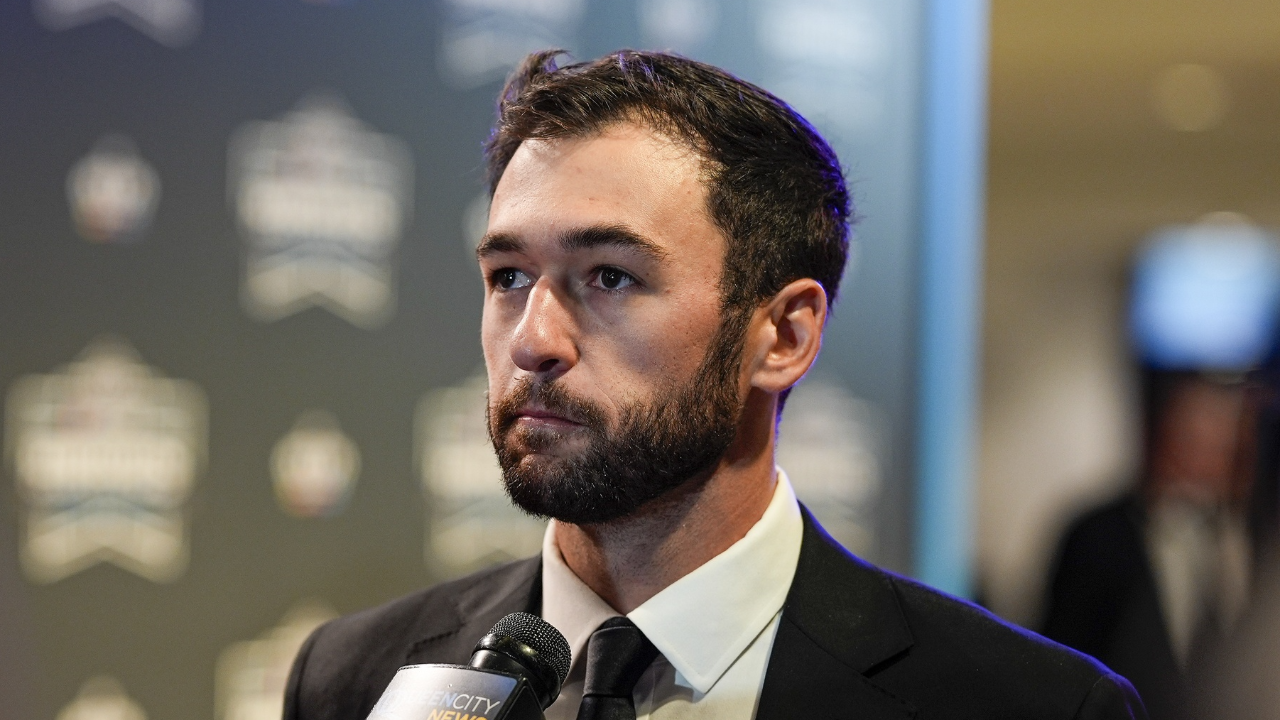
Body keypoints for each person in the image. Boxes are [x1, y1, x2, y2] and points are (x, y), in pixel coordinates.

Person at [283, 50, 1145, 720]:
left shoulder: (1024, 704)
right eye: (509, 276)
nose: (534, 341)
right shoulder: (356, 678)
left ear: (782, 334)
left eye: (610, 277)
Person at [1041, 370, 1255, 720]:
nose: (1214, 458)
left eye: (1226, 445)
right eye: (1197, 439)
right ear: (1162, 434)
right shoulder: (1096, 535)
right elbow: (1056, 655)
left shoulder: (1242, 537)